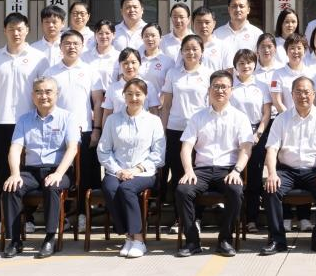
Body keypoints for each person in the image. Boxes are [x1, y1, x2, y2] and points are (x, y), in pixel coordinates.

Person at [175, 70, 254, 257]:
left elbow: (246, 148)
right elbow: (186, 147)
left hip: (227, 170)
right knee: (183, 190)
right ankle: (192, 241)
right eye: (216, 86)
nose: (220, 90)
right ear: (209, 90)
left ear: (231, 90)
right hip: (201, 170)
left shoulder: (240, 117)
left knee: (235, 191)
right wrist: (188, 170)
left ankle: (225, 240)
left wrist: (237, 171)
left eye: (224, 87)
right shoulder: (198, 117)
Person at [0, 13, 49, 234]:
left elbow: (44, 92)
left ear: (27, 30)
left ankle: (27, 217)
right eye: (11, 29)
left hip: (30, 121)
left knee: (26, 170)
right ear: (5, 31)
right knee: (3, 170)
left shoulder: (39, 58)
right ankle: (1, 216)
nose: (16, 33)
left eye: (20, 28)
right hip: (0, 122)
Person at [0, 77, 80, 259]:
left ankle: (50, 238)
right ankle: (15, 240)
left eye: (48, 91)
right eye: (38, 92)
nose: (43, 96)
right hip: (31, 171)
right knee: (12, 187)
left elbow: (72, 148)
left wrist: (58, 173)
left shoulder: (68, 118)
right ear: (32, 96)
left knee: (52, 186)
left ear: (57, 94)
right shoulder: (24, 120)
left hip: (58, 170)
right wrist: (15, 174)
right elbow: (15, 149)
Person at [261, 76, 316, 256]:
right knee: (271, 189)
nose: (303, 96)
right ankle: (277, 240)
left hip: (315, 170)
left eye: (306, 92)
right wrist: (272, 173)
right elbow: (271, 149)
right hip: (287, 170)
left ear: (314, 94)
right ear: (292, 94)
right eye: (298, 92)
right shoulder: (281, 119)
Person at [96, 78, 166, 258]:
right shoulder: (112, 120)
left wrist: (136, 170)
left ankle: (139, 239)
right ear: (123, 96)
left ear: (145, 96)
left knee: (126, 188)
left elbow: (158, 153)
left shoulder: (153, 121)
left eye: (138, 94)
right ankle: (129, 236)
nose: (134, 98)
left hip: (143, 172)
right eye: (129, 94)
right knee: (110, 187)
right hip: (117, 170)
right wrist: (118, 170)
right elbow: (103, 150)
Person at [160, 34, 211, 231]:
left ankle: (197, 217)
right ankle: (178, 217)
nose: (191, 52)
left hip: (200, 131)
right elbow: (166, 105)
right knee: (178, 175)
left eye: (195, 49)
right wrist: (163, 130)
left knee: (197, 174)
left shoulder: (208, 74)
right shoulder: (173, 73)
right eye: (187, 49)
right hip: (176, 129)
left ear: (202, 51)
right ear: (181, 52)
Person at [45, 31, 98, 223]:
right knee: (61, 172)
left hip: (84, 129)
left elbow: (97, 102)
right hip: (56, 131)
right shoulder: (50, 72)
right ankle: (63, 216)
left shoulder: (90, 70)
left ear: (82, 47)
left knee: (84, 175)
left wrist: (97, 129)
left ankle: (83, 213)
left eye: (76, 43)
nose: (71, 47)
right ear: (60, 47)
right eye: (67, 43)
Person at [229, 48, 271, 231]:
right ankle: (235, 218)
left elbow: (266, 113)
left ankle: (252, 219)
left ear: (255, 64)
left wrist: (258, 134)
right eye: (241, 63)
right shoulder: (230, 85)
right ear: (235, 66)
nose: (245, 66)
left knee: (254, 177)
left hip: (256, 133)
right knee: (235, 176)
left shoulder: (262, 85)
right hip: (233, 134)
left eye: (249, 62)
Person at [97, 48, 161, 131]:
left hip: (143, 131)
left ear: (140, 63)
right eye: (125, 63)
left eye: (133, 62)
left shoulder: (148, 86)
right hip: (117, 132)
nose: (130, 66)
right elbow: (107, 114)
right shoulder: (113, 88)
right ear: (120, 65)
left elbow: (154, 111)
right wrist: (105, 134)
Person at [269, 33, 316, 116]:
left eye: (299, 48)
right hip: (286, 118)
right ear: (286, 52)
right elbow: (277, 102)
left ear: (305, 51)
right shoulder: (277, 74)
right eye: (292, 48)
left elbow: (314, 101)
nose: (296, 51)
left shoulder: (312, 73)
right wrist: (291, 118)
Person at [214, 0, 265, 68]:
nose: (238, 9)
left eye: (241, 6)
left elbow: (261, 59)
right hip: (223, 75)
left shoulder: (257, 33)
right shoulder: (217, 33)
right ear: (229, 10)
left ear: (248, 10)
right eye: (234, 6)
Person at [82, 19, 119, 93]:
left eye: (107, 33)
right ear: (95, 35)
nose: (104, 36)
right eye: (100, 33)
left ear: (114, 35)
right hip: (89, 97)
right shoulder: (84, 56)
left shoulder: (119, 56)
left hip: (110, 97)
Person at [138, 23, 174, 91]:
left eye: (153, 35)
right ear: (142, 38)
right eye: (146, 36)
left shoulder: (168, 62)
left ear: (161, 38)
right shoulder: (136, 59)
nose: (150, 39)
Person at [192, 6, 226, 71]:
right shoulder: (186, 46)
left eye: (207, 22)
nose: (203, 26)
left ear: (214, 24)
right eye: (199, 22)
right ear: (193, 23)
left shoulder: (223, 46)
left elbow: (229, 72)